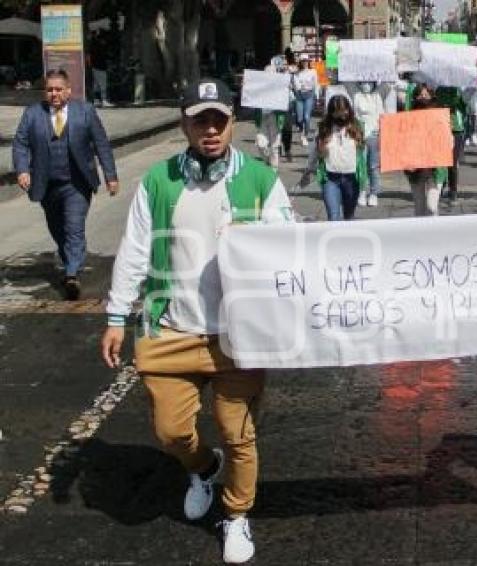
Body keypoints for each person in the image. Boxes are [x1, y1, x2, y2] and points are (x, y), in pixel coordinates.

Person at [100, 78, 295, 565]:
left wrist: (259, 235)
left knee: (238, 432)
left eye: (219, 119)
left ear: (232, 121)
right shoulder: (158, 180)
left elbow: (293, 243)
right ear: (183, 122)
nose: (210, 129)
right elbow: (135, 250)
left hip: (238, 333)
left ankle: (236, 514)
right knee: (170, 432)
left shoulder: (260, 179)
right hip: (173, 328)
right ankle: (204, 468)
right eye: (199, 119)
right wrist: (116, 315)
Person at [12, 68, 119, 300]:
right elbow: (20, 143)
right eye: (49, 89)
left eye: (58, 89)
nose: (54, 94)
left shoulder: (85, 112)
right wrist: (22, 170)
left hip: (77, 183)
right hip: (46, 183)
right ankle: (70, 257)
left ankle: (71, 274)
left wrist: (111, 176)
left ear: (68, 91)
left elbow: (102, 144)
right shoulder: (32, 114)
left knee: (74, 225)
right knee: (56, 226)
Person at [298, 95, 368, 221]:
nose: (341, 115)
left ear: (349, 110)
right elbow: (315, 152)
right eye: (337, 111)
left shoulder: (357, 126)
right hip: (330, 179)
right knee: (333, 217)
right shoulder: (324, 128)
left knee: (349, 217)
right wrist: (309, 170)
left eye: (344, 110)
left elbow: (364, 152)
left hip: (351, 179)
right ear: (331, 112)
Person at [404, 84, 447, 217]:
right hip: (415, 168)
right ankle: (421, 235)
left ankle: (434, 230)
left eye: (426, 95)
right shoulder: (407, 118)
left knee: (431, 206)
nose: (423, 98)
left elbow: (446, 140)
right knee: (419, 208)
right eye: (420, 95)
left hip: (436, 168)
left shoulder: (440, 116)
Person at [254, 56, 293, 167]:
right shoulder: (259, 86)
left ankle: (273, 169)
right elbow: (251, 97)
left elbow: (287, 100)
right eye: (267, 74)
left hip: (275, 117)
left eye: (271, 74)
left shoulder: (280, 86)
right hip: (262, 118)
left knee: (275, 145)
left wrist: (287, 88)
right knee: (261, 144)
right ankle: (267, 160)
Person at [353, 81, 385, 207]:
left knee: (373, 166)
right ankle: (362, 191)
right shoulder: (356, 96)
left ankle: (374, 193)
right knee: (361, 164)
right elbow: (355, 114)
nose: (366, 85)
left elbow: (381, 114)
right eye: (363, 83)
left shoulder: (377, 96)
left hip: (374, 134)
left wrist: (380, 130)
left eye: (369, 83)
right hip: (360, 134)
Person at [435, 86, 467, 203]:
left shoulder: (458, 90)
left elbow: (464, 108)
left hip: (456, 130)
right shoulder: (438, 90)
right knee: (442, 161)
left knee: (452, 162)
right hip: (441, 128)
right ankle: (443, 187)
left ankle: (453, 191)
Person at [293, 54, 319, 146]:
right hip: (299, 96)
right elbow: (296, 84)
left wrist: (317, 96)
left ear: (308, 61)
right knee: (300, 118)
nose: (305, 62)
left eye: (306, 60)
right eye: (303, 61)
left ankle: (305, 136)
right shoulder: (297, 73)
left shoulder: (313, 71)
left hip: (309, 95)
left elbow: (316, 84)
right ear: (300, 62)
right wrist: (299, 87)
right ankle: (301, 133)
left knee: (306, 117)